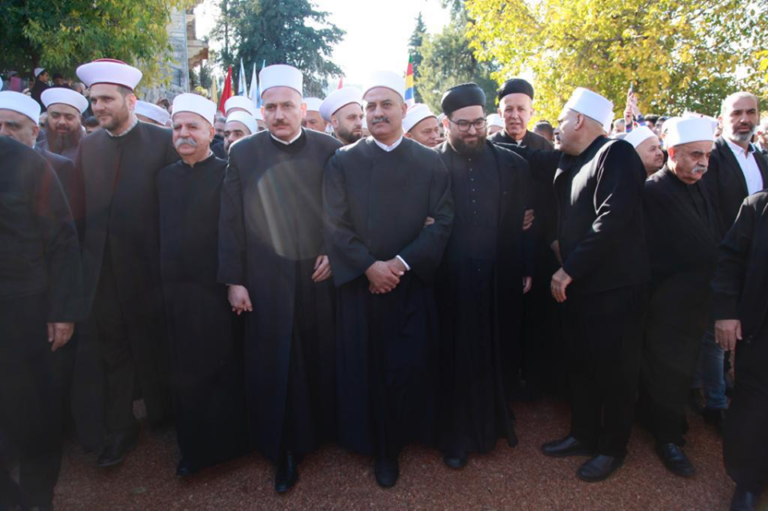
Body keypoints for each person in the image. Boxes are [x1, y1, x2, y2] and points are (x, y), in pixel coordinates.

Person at [510, 88, 649, 482]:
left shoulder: (616, 154)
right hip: (580, 288)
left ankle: (612, 449)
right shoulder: (572, 158)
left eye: (562, 119)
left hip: (613, 290)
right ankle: (583, 434)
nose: (557, 127)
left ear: (581, 121)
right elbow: (532, 163)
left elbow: (612, 220)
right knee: (582, 365)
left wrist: (569, 268)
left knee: (615, 372)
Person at [323, 70, 453, 488]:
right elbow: (334, 223)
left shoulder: (430, 161)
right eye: (370, 107)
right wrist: (369, 267)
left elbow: (443, 221)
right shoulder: (343, 160)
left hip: (410, 283)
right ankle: (382, 448)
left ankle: (418, 432)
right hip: (363, 287)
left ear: (402, 108)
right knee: (370, 369)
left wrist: (398, 264)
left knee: (413, 363)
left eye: (386, 105)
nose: (377, 113)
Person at [218, 64, 341, 493]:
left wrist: (333, 249)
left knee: (315, 353)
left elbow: (340, 209)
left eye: (287, 106)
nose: (278, 114)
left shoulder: (329, 149)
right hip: (264, 277)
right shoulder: (243, 153)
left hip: (314, 273)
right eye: (270, 107)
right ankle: (283, 446)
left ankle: (319, 433)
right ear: (261, 112)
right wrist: (234, 280)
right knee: (276, 360)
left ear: (302, 108)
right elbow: (230, 220)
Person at [72, 58, 178, 462]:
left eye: (106, 99)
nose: (98, 107)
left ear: (130, 100)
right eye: (94, 100)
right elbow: (80, 209)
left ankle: (164, 415)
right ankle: (121, 429)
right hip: (102, 273)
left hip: (150, 270)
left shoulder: (162, 141)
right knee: (112, 347)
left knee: (155, 343)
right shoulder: (89, 145)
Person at [434, 83, 532, 468]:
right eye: (463, 125)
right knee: (453, 356)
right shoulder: (429, 163)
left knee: (496, 351)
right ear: (446, 124)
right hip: (447, 282)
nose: (473, 131)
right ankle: (455, 436)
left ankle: (495, 421)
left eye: (478, 123)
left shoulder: (514, 164)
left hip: (497, 277)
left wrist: (525, 267)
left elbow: (524, 224)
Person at [157, 93, 247, 477]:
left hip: (214, 291)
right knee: (183, 372)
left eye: (193, 127)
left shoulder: (228, 173)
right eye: (177, 127)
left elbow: (236, 233)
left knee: (220, 369)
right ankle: (191, 449)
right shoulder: (164, 178)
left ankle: (224, 448)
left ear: (212, 132)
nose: (184, 134)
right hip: (175, 294)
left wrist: (233, 281)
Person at [0, 135, 82, 511]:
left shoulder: (26, 162)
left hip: (24, 310)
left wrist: (63, 310)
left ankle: (37, 498)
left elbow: (62, 238)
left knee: (34, 411)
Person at [639, 118, 719, 478]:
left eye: (708, 155)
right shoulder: (652, 191)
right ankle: (667, 439)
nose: (703, 163)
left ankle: (670, 425)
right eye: (695, 155)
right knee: (665, 372)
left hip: (696, 301)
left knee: (682, 371)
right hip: (665, 303)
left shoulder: (700, 185)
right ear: (672, 153)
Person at [698, 92, 768, 433]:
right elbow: (708, 211)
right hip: (722, 259)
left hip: (756, 267)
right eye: (737, 113)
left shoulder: (762, 158)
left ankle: (733, 389)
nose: (744, 119)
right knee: (716, 336)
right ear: (722, 118)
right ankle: (715, 402)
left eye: (751, 112)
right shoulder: (712, 157)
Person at [712, 190, 768, 511]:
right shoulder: (758, 206)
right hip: (760, 331)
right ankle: (748, 482)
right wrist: (726, 312)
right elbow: (730, 260)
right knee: (753, 408)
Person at [0, 91, 78, 219]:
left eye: (12, 126)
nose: (3, 132)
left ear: (34, 132)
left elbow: (62, 221)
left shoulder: (58, 166)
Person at [39, 87, 89, 162]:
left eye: (69, 117)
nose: (62, 122)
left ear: (80, 119)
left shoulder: (91, 151)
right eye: (55, 116)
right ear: (47, 117)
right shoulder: (35, 151)